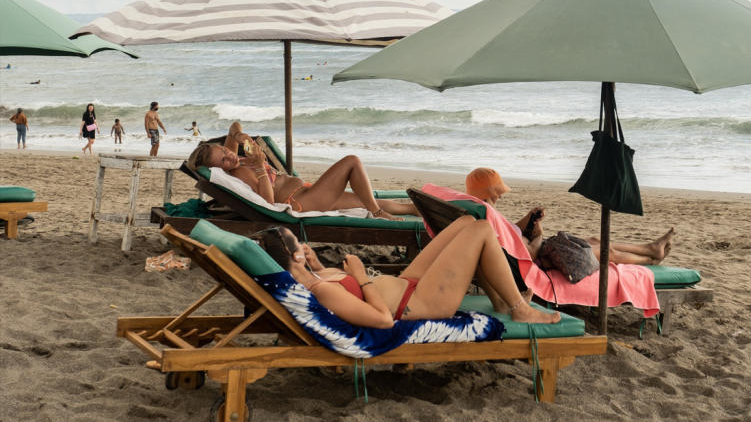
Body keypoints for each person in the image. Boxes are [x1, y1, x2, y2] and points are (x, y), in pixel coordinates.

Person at [254, 220, 560, 327]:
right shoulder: (321, 292)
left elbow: (338, 286)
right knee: (480, 231)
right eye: (299, 242)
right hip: (416, 303)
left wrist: (318, 266)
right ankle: (519, 310)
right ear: (294, 255)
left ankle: (503, 301)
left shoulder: (315, 280)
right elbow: (382, 320)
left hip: (405, 283)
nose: (305, 245)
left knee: (466, 222)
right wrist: (360, 276)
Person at [188, 122, 416, 220]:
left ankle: (414, 210)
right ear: (219, 169)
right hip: (303, 202)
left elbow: (234, 126)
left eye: (224, 151)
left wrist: (239, 137)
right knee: (351, 161)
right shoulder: (239, 174)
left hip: (309, 193)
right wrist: (259, 168)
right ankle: (378, 214)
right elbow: (268, 203)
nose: (230, 156)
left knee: (364, 201)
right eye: (224, 161)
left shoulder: (234, 156)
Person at [465, 168, 674, 266]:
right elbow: (530, 254)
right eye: (498, 191)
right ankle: (649, 260)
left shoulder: (480, 210)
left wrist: (529, 218)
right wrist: (539, 235)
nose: (502, 195)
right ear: (489, 192)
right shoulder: (487, 218)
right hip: (543, 257)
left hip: (543, 248)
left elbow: (512, 231)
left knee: (595, 240)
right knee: (605, 252)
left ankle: (649, 249)